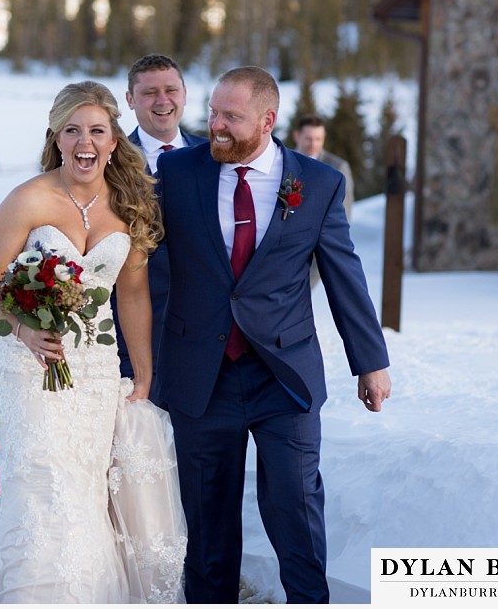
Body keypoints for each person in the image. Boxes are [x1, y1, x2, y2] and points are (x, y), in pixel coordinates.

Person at [154, 66, 391, 604]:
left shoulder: (320, 182)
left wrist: (370, 361)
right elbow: (142, 267)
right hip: (200, 377)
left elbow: (343, 273)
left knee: (295, 510)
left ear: (267, 120)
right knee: (208, 527)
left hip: (283, 375)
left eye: (231, 117)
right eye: (213, 112)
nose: (216, 126)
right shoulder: (178, 174)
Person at [0, 80, 187, 604]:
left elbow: (131, 297)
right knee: (41, 483)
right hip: (28, 366)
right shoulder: (29, 198)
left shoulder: (131, 206)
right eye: (72, 131)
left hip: (95, 371)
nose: (84, 142)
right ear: (56, 137)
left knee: (84, 492)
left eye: (96, 131)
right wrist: (21, 327)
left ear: (114, 140)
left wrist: (146, 372)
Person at [112, 54, 208, 402]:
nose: (162, 101)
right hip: (130, 330)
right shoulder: (108, 160)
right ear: (130, 100)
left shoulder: (214, 156)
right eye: (150, 92)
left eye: (171, 90)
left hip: (204, 335)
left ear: (184, 93)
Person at [292, 114, 355, 289]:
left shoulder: (337, 167)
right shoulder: (283, 162)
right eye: (308, 139)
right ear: (297, 136)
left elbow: (345, 211)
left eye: (318, 139)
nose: (313, 144)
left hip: (317, 248)